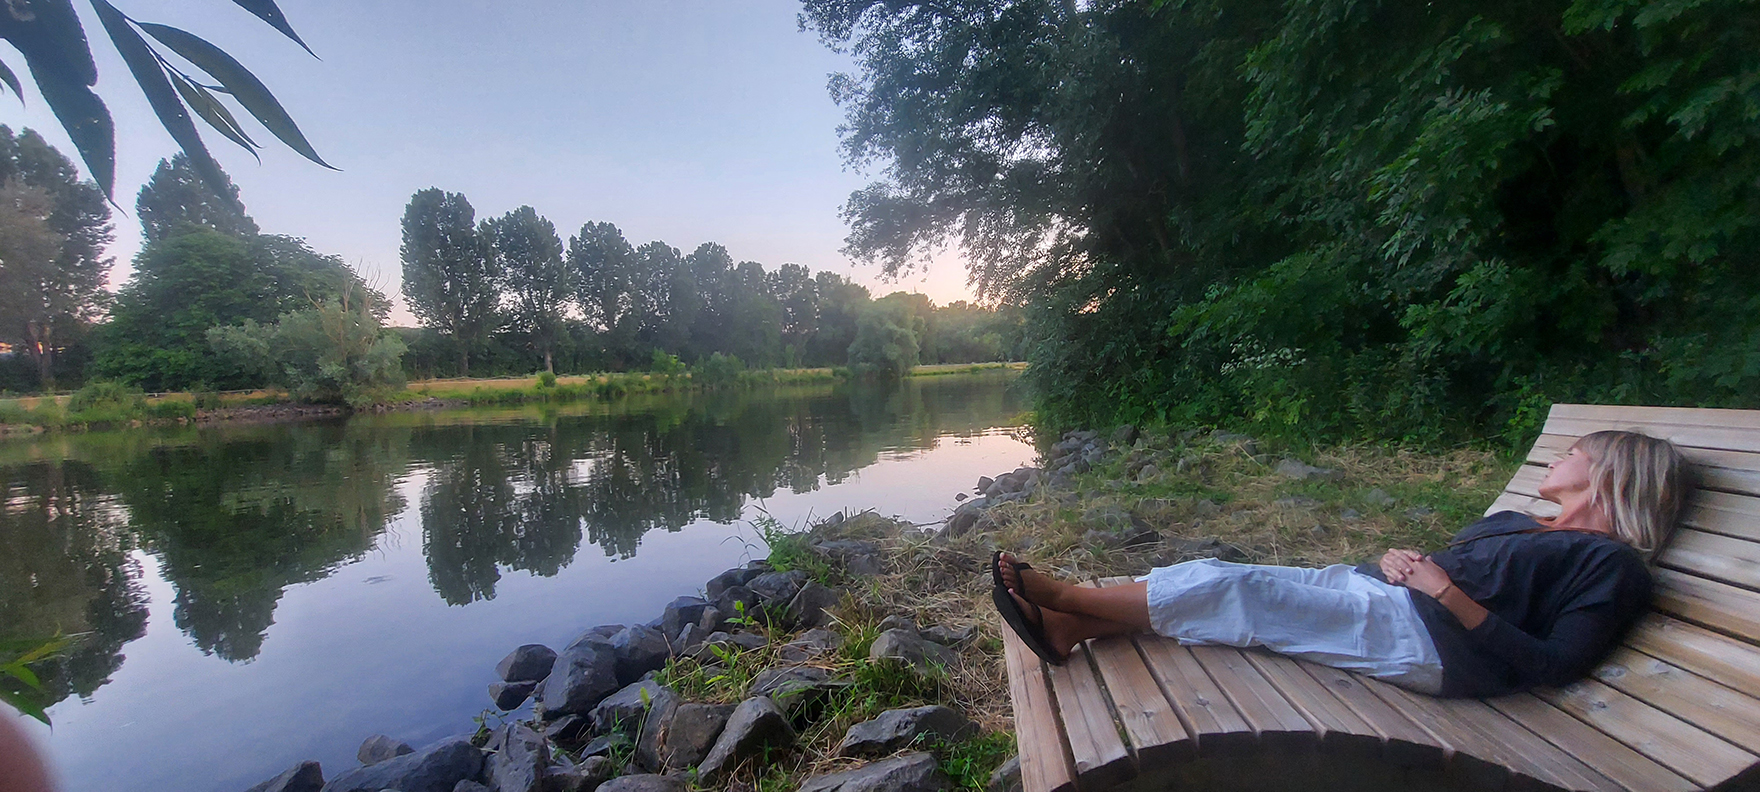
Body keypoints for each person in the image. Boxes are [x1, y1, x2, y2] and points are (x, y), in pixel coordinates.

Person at [993, 430, 1686, 698]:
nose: (1559, 453)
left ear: (1609, 475)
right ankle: (1068, 630)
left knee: (1233, 587)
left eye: (1575, 452)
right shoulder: (1521, 524)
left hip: (1433, 643)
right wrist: (1397, 561)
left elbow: (1555, 664)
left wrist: (1447, 595)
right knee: (1220, 576)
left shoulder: (1613, 567)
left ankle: (1072, 598)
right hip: (1388, 598)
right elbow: (1438, 569)